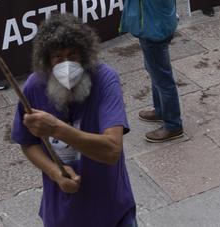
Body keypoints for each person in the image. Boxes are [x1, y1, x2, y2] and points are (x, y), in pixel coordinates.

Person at [12, 13, 136, 227]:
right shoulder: (33, 87)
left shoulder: (105, 80)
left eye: (72, 55)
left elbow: (111, 151)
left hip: (111, 209)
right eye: (58, 57)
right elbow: (27, 143)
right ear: (47, 61)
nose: (66, 64)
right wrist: (54, 173)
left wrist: (58, 129)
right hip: (63, 213)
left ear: (85, 55)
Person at [95, 0, 184, 143]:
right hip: (158, 22)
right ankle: (160, 109)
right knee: (154, 69)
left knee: (162, 77)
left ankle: (173, 125)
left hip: (154, 29)